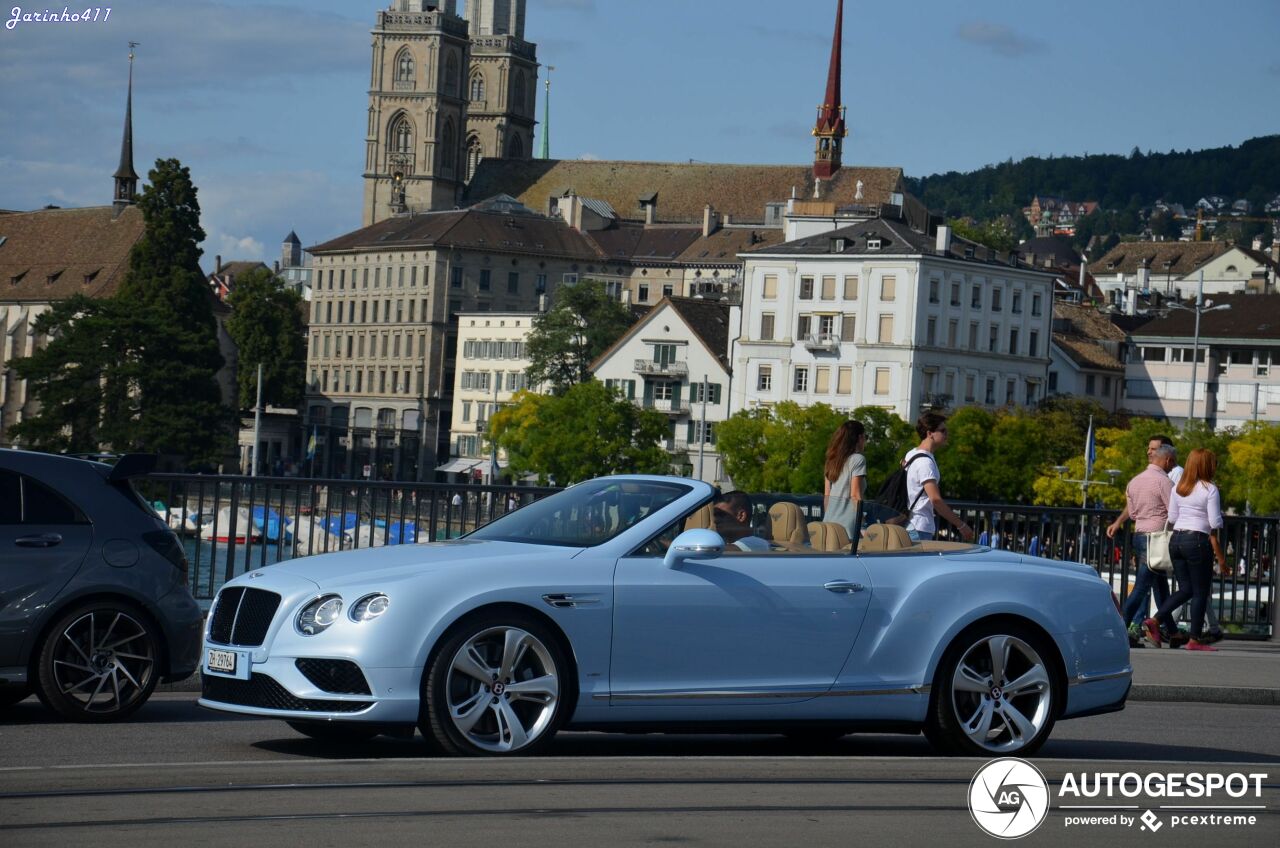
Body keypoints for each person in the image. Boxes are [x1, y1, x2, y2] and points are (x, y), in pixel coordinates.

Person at [1143, 448, 1227, 652]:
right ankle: (1194, 639)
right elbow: (1215, 521)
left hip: (1176, 540)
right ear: (1207, 465)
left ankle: (1155, 619)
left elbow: (1171, 518)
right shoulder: (1210, 489)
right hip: (1197, 541)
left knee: (1186, 589)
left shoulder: (1179, 488)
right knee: (1200, 592)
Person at [1108, 441, 1176, 643]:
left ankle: (1172, 630)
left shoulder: (1134, 481)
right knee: (1141, 587)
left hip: (1139, 534)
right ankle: (1120, 627)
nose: (1173, 466)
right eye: (1172, 463)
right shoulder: (1164, 482)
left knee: (1160, 585)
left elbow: (1133, 511)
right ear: (1167, 460)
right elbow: (1173, 512)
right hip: (1156, 538)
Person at [902, 412, 973, 543]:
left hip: (907, 523)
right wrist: (961, 525)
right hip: (919, 527)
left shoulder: (911, 454)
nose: (947, 434)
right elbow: (936, 500)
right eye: (943, 431)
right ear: (930, 434)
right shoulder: (925, 463)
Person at [822, 420, 867, 535]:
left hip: (828, 524)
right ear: (859, 437)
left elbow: (827, 496)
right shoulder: (858, 459)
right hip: (847, 527)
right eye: (865, 437)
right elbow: (855, 495)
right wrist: (862, 523)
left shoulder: (831, 460)